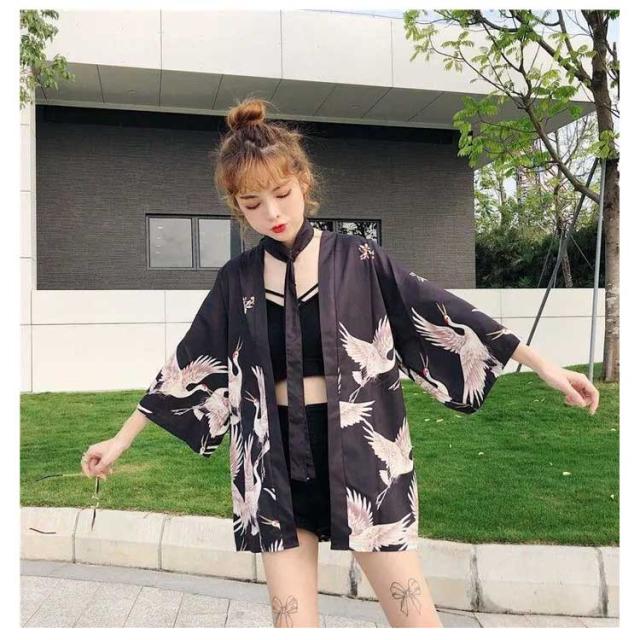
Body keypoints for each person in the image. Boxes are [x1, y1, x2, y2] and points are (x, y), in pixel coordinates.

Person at [80, 97, 600, 628]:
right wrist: (120, 440)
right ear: (237, 205)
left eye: (282, 194)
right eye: (253, 203)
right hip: (274, 464)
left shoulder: (359, 260)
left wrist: (544, 366)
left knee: (416, 620)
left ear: (303, 182)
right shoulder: (236, 280)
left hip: (364, 454)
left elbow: (442, 311)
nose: (272, 214)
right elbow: (191, 361)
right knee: (292, 626)